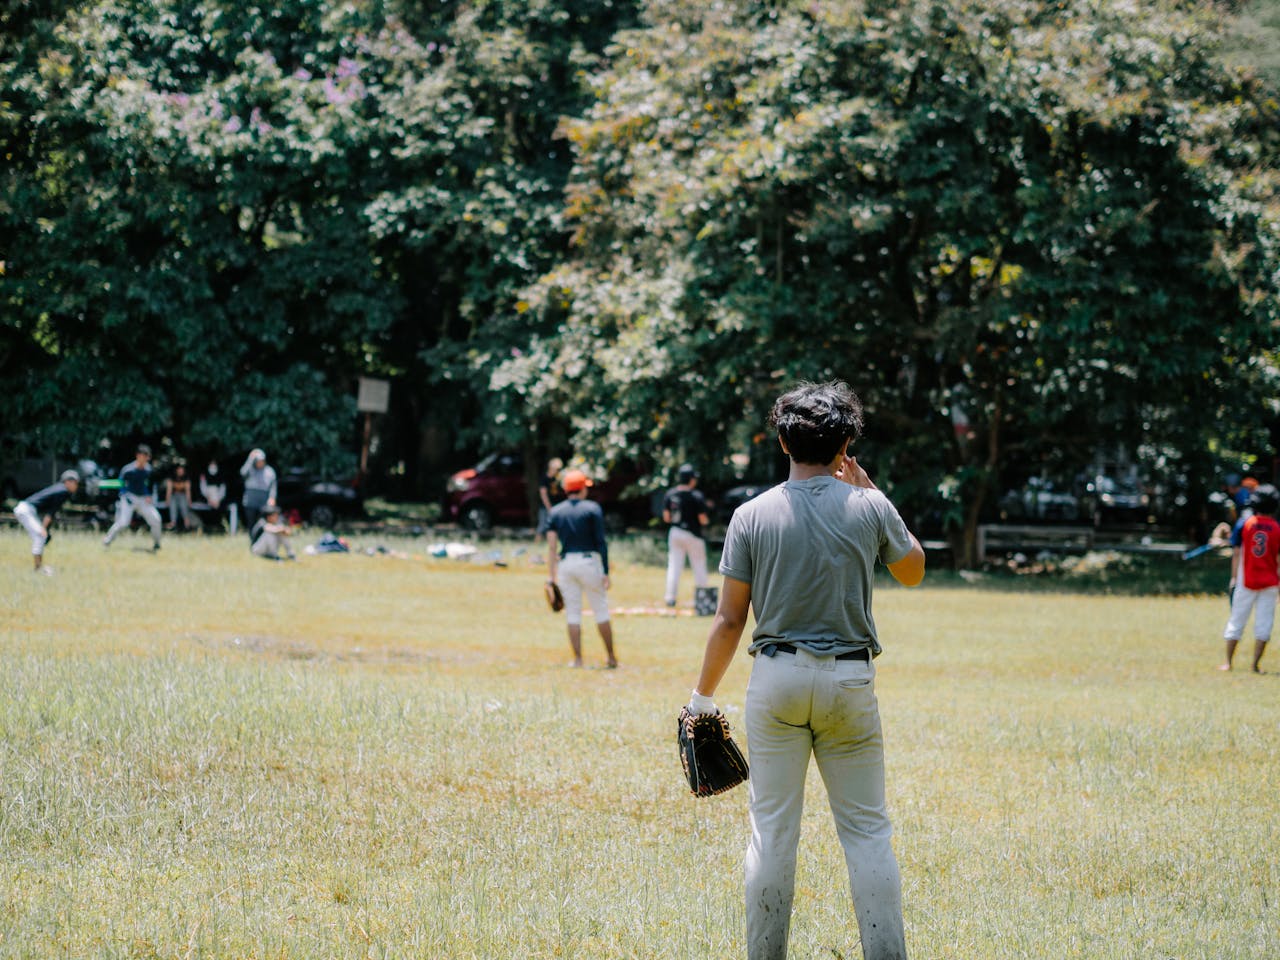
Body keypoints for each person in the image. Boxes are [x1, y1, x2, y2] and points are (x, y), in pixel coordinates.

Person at [685, 380, 925, 960]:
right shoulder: (868, 506)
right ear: (846, 442)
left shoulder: (751, 514)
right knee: (868, 833)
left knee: (771, 833)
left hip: (776, 678)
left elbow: (728, 620)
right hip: (849, 679)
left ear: (782, 441)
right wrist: (870, 491)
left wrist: (702, 697)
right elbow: (914, 569)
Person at [546, 467, 618, 668]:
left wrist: (551, 576)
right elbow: (601, 542)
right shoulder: (592, 509)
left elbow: (552, 546)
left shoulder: (555, 511)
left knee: (573, 613)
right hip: (589, 562)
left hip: (566, 564)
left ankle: (577, 659)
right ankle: (611, 658)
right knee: (601, 610)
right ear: (581, 489)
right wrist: (605, 571)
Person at [1221, 482, 1280, 673]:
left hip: (1246, 580)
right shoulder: (1277, 528)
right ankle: (1255, 665)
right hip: (1270, 582)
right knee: (1264, 624)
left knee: (1237, 620)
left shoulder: (1244, 524)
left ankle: (1229, 662)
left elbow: (1237, 553)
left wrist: (1233, 577)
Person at [663, 463, 712, 608]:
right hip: (693, 534)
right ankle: (703, 599)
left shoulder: (670, 494)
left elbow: (667, 518)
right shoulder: (696, 496)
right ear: (691, 479)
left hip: (675, 532)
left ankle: (670, 598)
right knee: (699, 566)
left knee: (674, 565)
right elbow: (702, 519)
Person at [13, 469, 79, 573]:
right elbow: (50, 513)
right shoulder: (63, 491)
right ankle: (38, 568)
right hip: (26, 510)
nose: (77, 486)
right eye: (75, 483)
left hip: (26, 510)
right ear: (67, 482)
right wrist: (43, 529)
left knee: (40, 536)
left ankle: (38, 567)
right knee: (40, 535)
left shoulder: (59, 489)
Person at [102, 444, 163, 551]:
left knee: (156, 519)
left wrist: (149, 495)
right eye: (144, 456)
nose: (146, 459)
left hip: (143, 499)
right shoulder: (128, 470)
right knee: (123, 522)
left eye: (148, 457)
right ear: (138, 456)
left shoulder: (148, 470)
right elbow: (121, 486)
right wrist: (125, 497)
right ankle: (108, 539)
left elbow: (149, 485)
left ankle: (157, 544)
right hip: (129, 498)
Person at [240, 448, 277, 539]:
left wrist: (272, 497)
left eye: (262, 461)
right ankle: (252, 542)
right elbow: (243, 473)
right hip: (251, 501)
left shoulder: (270, 471)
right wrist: (250, 459)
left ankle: (261, 541)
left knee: (263, 523)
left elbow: (273, 486)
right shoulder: (250, 470)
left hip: (263, 502)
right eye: (258, 461)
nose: (260, 463)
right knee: (251, 523)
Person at [536, 457, 565, 539]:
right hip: (545, 506)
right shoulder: (544, 478)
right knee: (542, 526)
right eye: (557, 469)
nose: (558, 471)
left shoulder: (557, 479)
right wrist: (549, 507)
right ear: (551, 468)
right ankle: (536, 543)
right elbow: (543, 494)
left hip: (556, 505)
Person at [165, 463, 195, 531]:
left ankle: (186, 524)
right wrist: (167, 500)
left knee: (183, 504)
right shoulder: (171, 478)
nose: (180, 471)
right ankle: (173, 523)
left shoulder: (186, 478)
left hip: (183, 496)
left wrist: (189, 501)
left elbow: (188, 491)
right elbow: (169, 490)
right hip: (173, 496)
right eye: (179, 470)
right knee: (172, 505)